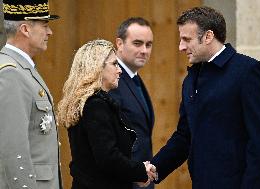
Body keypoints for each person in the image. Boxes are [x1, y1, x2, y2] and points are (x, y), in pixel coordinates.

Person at [151, 6, 260, 189]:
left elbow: (259, 142)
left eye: (186, 39)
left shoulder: (247, 71)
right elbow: (185, 136)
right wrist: (155, 167)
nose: (181, 47)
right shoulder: (191, 79)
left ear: (208, 36)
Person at [57, 39, 157, 189]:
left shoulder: (93, 103)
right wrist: (140, 171)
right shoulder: (95, 105)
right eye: (114, 64)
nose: (120, 70)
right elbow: (108, 157)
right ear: (97, 68)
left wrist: (136, 172)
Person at [0, 0, 62, 188]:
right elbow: (13, 149)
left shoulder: (23, 69)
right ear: (25, 29)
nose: (49, 32)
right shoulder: (11, 73)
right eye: (45, 25)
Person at [109, 17, 155, 189]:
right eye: (137, 43)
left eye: (148, 44)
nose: (144, 50)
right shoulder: (112, 81)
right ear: (119, 43)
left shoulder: (133, 78)